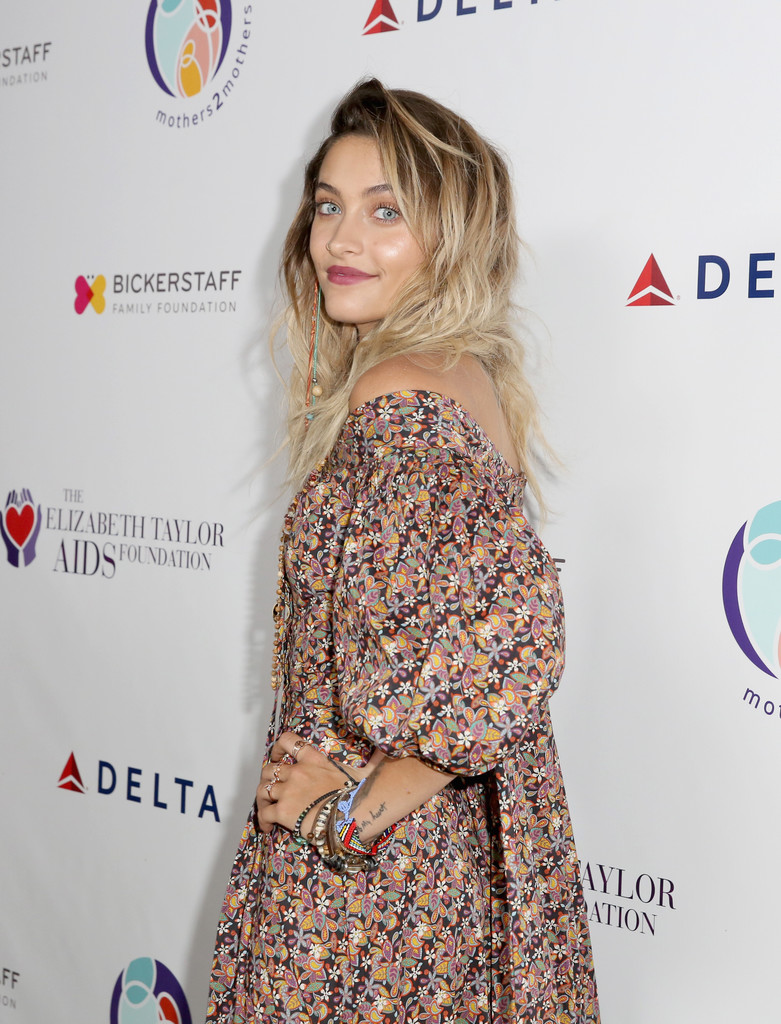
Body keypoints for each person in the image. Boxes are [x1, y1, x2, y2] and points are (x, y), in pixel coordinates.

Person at [206, 78, 599, 1024]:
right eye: (328, 206)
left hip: (364, 901)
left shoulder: (397, 392)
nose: (340, 241)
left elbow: (515, 645)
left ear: (451, 237)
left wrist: (345, 816)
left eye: (385, 212)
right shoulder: (463, 377)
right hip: (429, 876)